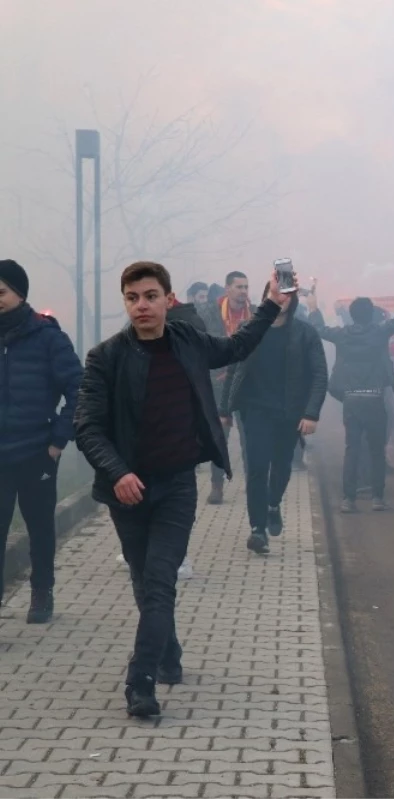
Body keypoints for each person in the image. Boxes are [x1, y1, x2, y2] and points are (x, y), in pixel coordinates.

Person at [74, 261, 283, 717]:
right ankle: (168, 653)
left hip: (176, 486)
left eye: (150, 296)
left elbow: (237, 346)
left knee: (160, 582)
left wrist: (270, 304)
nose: (141, 306)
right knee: (142, 579)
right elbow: (87, 426)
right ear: (125, 302)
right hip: (127, 490)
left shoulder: (188, 341)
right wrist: (117, 473)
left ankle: (140, 681)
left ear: (169, 300)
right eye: (132, 298)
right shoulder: (105, 357)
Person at [0, 260, 83, 624]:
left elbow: (80, 390)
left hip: (37, 451)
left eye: (1, 292)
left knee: (40, 527)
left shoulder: (48, 336)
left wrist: (58, 440)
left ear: (20, 293)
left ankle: (42, 590)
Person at [221, 285, 327, 555]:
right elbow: (234, 368)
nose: (282, 299)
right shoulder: (250, 329)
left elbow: (319, 375)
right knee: (256, 468)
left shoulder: (305, 333)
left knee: (281, 466)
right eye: (277, 293)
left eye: (288, 294)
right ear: (267, 296)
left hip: (289, 413)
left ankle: (273, 504)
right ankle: (258, 530)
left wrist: (311, 413)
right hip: (254, 411)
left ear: (293, 299)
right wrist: (225, 410)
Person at [307, 284, 394, 513]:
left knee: (352, 449)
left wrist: (313, 304)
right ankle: (377, 498)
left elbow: (318, 327)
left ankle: (348, 499)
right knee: (377, 451)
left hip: (351, 400)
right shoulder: (379, 332)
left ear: (353, 315)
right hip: (375, 399)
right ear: (372, 315)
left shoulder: (342, 335)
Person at [196, 271, 254, 505]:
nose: (243, 291)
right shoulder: (209, 313)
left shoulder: (257, 314)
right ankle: (217, 486)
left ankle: (253, 486)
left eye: (246, 287)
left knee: (249, 439)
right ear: (227, 288)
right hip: (218, 385)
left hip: (248, 386)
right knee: (219, 438)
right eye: (239, 287)